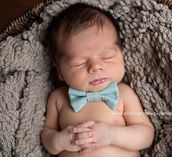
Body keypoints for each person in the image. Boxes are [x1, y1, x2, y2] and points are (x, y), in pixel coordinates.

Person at [41, 3, 154, 157]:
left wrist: (112, 135)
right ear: (59, 71)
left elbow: (146, 134)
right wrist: (58, 141)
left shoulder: (124, 94)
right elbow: (47, 134)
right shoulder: (58, 98)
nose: (95, 67)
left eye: (107, 57)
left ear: (122, 55)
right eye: (79, 63)